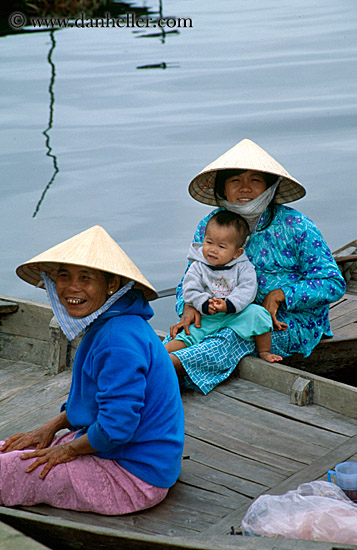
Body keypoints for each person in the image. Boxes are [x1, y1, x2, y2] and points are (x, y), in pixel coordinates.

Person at [0, 225, 185, 515]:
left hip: (133, 477)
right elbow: (104, 406)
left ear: (111, 284)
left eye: (86, 278)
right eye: (64, 276)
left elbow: (116, 428)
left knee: (7, 472)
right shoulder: (114, 321)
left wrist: (66, 449)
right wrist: (52, 426)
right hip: (134, 456)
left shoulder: (117, 340)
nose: (72, 288)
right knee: (8, 450)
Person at [164, 138, 346, 395]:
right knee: (183, 334)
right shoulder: (210, 224)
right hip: (222, 311)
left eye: (255, 181)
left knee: (232, 337)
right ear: (223, 188)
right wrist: (189, 306)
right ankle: (146, 365)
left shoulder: (297, 225)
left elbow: (333, 282)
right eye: (236, 180)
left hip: (288, 321)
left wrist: (280, 295)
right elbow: (191, 277)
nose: (245, 188)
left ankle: (153, 372)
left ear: (270, 188)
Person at [165, 210, 282, 363]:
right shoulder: (198, 265)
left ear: (237, 252)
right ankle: (160, 353)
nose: (213, 249)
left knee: (259, 314)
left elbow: (247, 289)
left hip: (235, 313)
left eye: (221, 246)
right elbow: (190, 289)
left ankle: (265, 351)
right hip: (208, 315)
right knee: (188, 334)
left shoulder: (243, 267)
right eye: (208, 242)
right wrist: (205, 303)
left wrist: (228, 304)